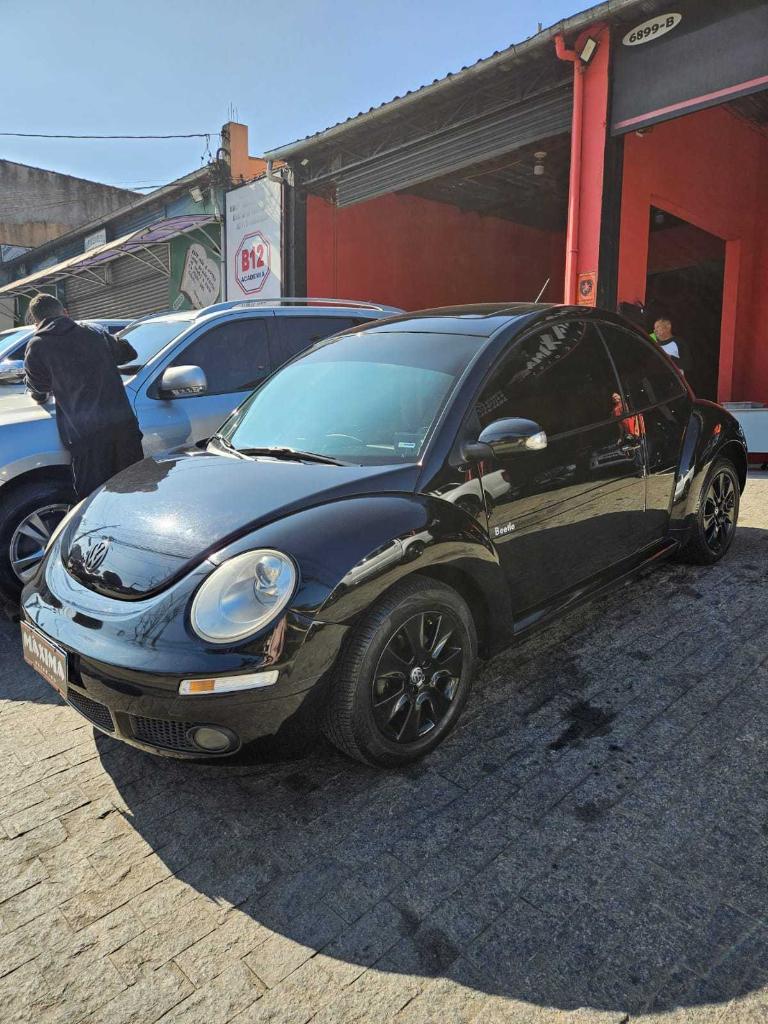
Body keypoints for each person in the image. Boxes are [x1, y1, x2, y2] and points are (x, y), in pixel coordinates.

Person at [24, 293, 144, 500]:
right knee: (134, 495)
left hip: (87, 439)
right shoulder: (93, 333)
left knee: (94, 502)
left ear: (36, 322)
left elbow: (38, 388)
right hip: (125, 430)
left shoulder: (38, 345)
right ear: (65, 312)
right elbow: (129, 353)